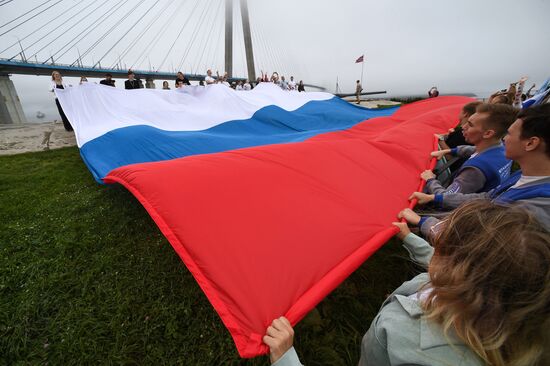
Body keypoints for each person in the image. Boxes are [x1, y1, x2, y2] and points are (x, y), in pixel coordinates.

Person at [264, 200, 550, 366]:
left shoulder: (422, 355)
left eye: (439, 244)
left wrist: (286, 358)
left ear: (456, 270)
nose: (433, 242)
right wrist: (409, 237)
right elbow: (435, 267)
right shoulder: (488, 297)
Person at [406, 103, 550, 237]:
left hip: (455, 229)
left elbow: (474, 239)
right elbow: (488, 197)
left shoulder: (527, 210)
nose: (505, 138)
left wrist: (423, 221)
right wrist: (451, 151)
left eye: (510, 134)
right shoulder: (521, 169)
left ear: (531, 143)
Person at [422, 103, 517, 196]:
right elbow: (473, 149)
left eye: (470, 125)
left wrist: (430, 180)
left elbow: (447, 198)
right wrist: (450, 151)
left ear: (488, 134)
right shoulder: (503, 148)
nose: (463, 127)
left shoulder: (475, 170)